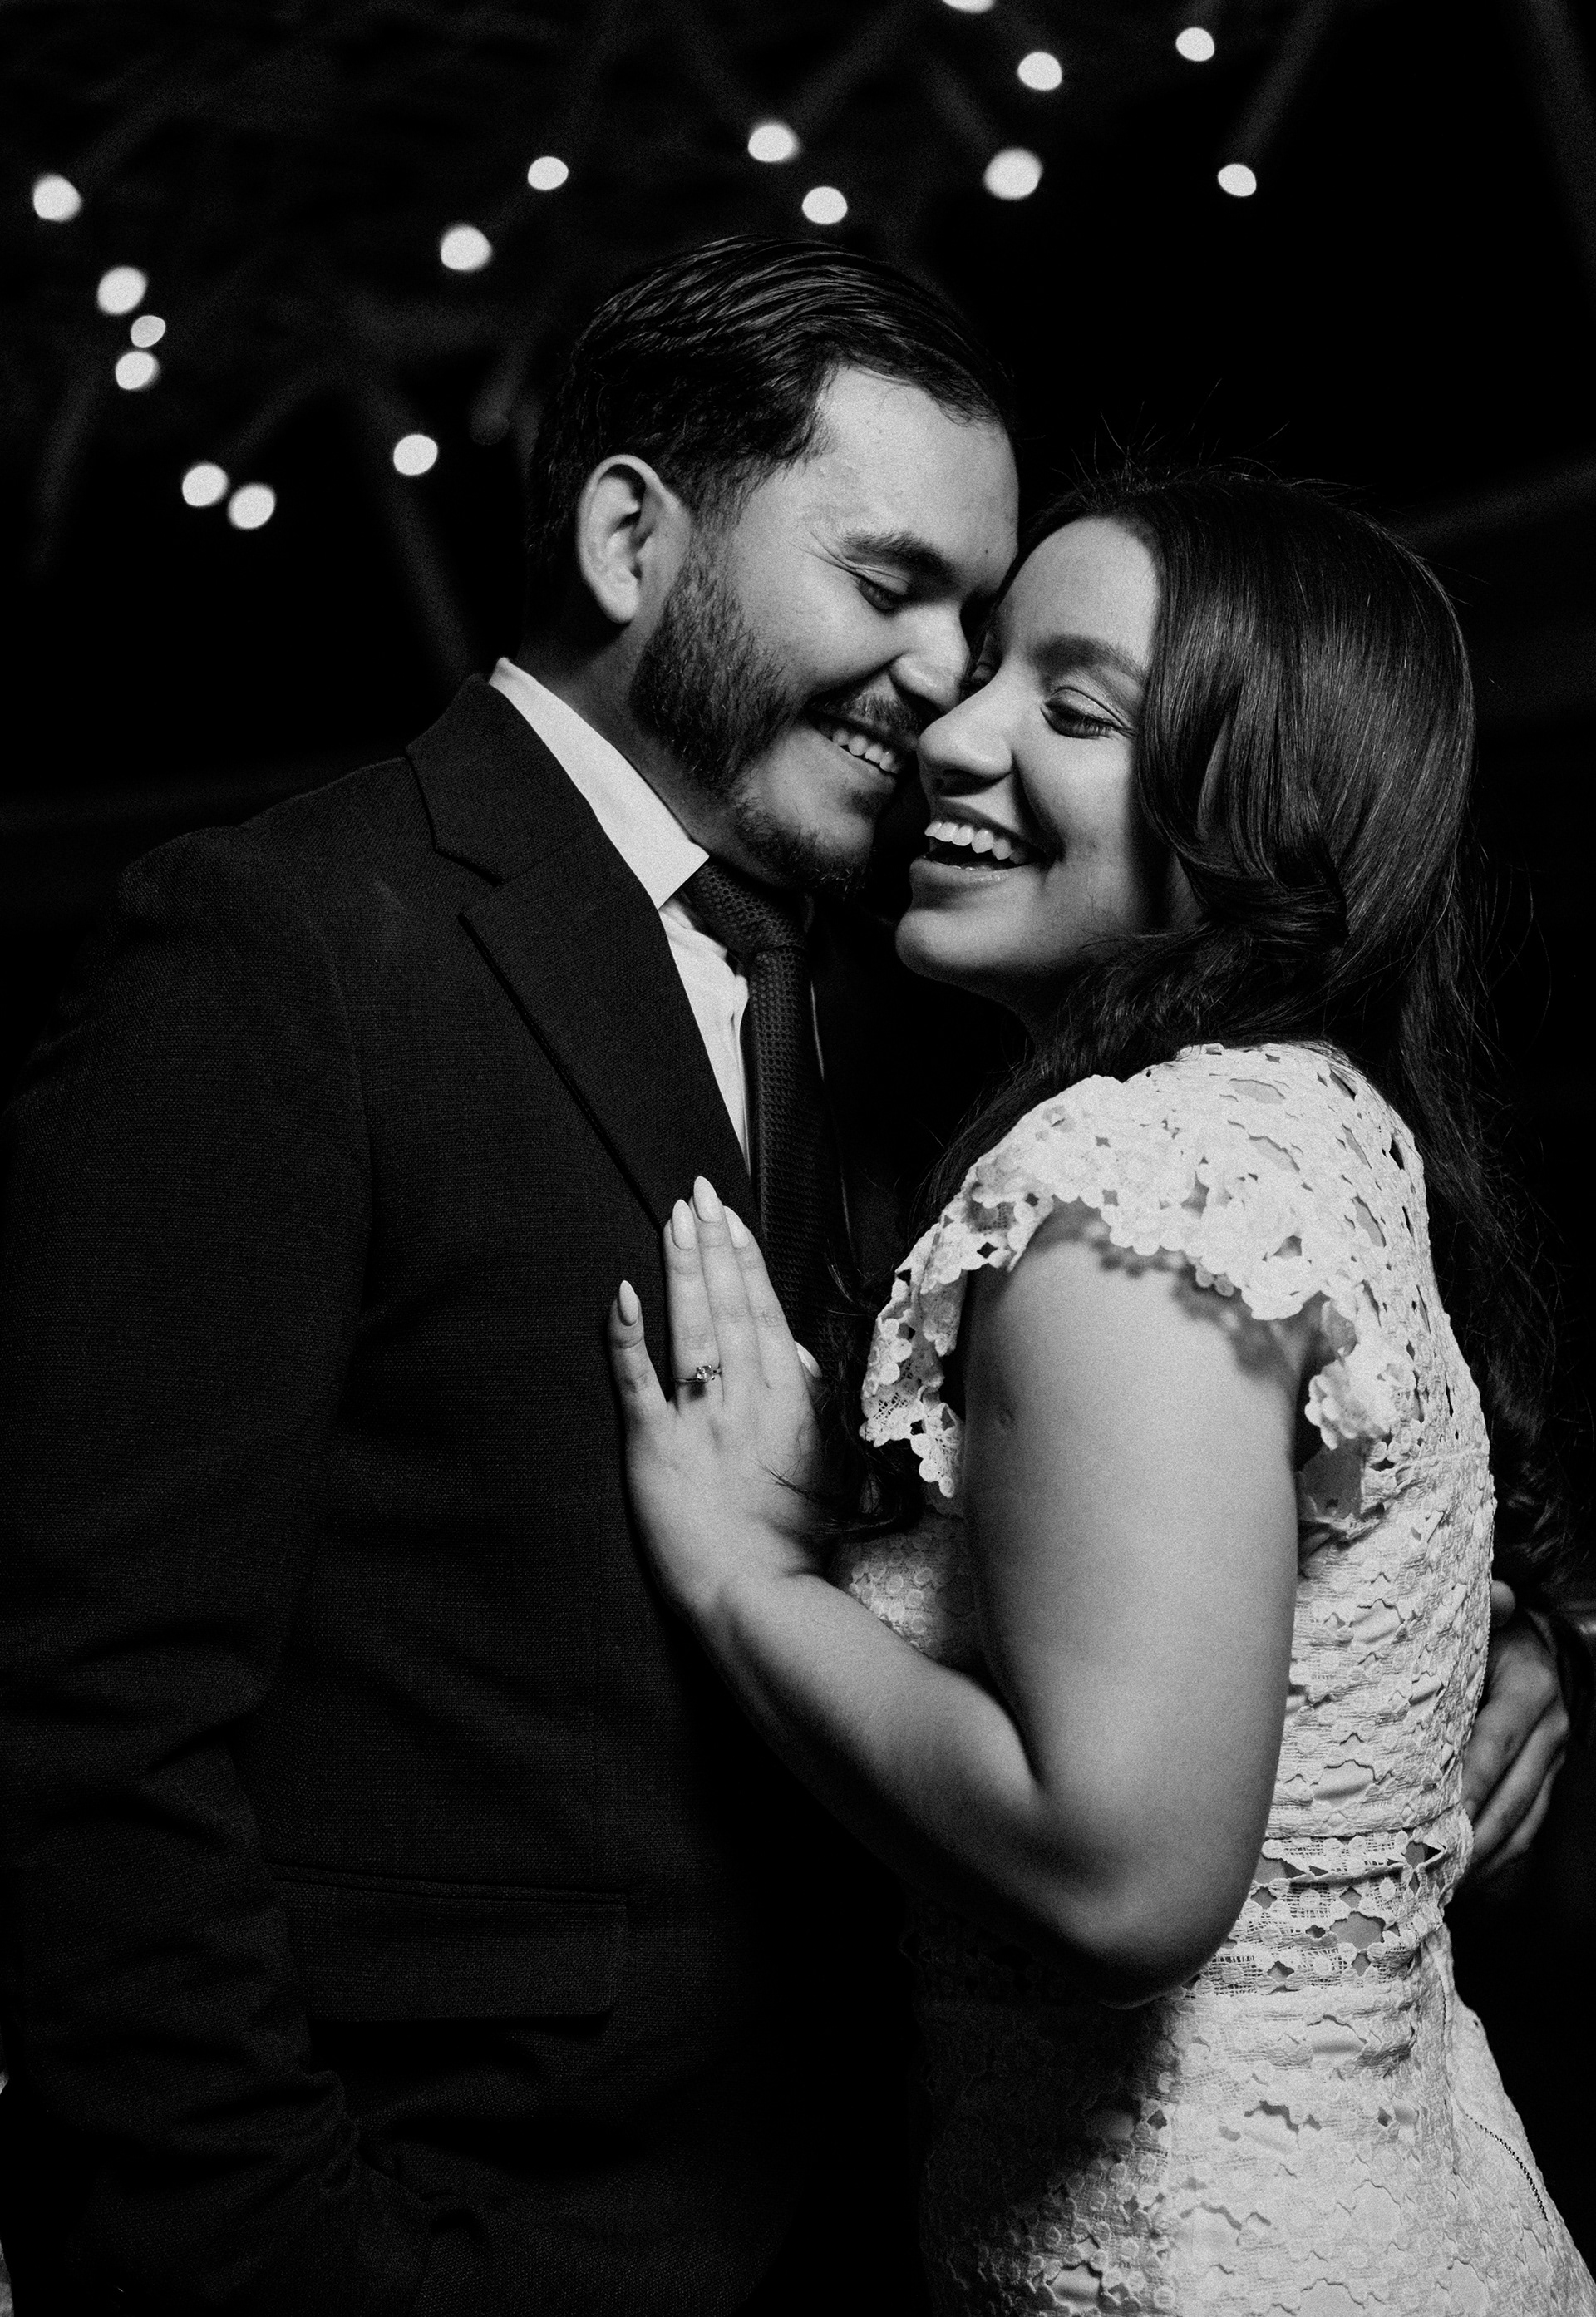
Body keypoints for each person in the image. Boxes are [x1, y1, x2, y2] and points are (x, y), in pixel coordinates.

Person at [0, 240, 1570, 2315]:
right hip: (481, 2229)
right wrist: (288, 2262)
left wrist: (1483, 1634)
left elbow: (1269, 1421)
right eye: (891, 583)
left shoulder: (948, 990)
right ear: (630, 536)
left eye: (988, 630)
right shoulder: (284, 948)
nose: (945, 687)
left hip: (897, 2212)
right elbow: (86, 1713)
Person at [605, 469, 1596, 2311]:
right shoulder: (1315, 1124)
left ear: (1255, 808)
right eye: (988, 669)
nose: (949, 732)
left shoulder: (1138, 1185)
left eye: (1070, 707)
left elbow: (1120, 1873)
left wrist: (751, 1584)